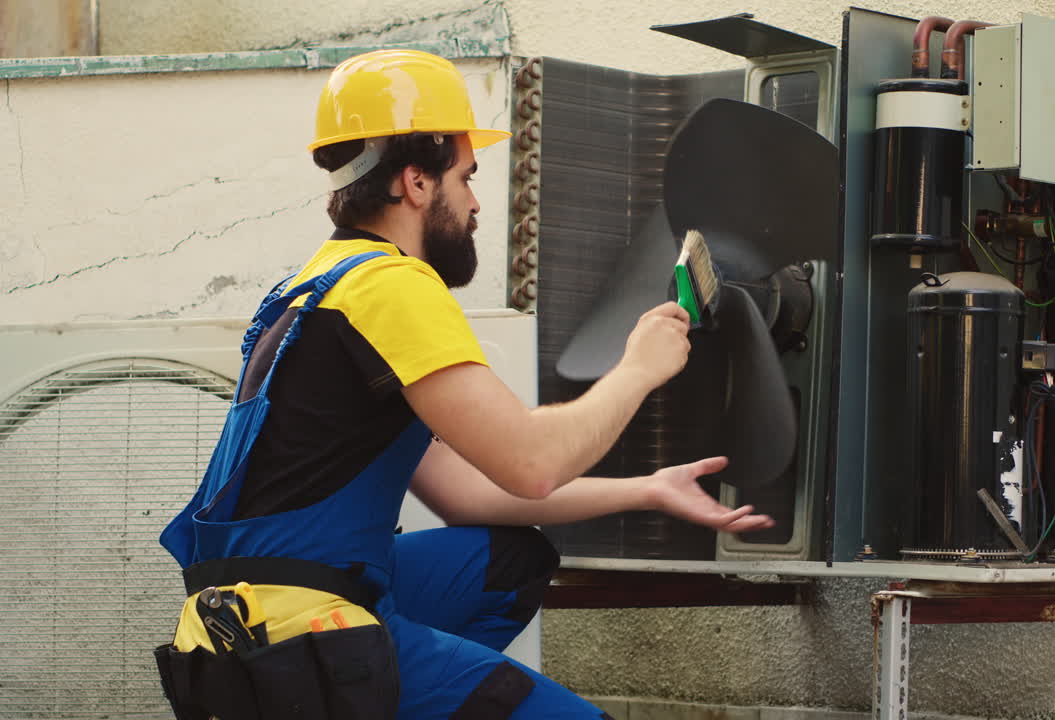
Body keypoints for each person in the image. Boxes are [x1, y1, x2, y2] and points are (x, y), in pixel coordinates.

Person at [154, 49, 772, 720]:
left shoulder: (307, 294)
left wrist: (648, 489)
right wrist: (639, 369)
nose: (476, 203)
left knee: (507, 562)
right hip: (304, 643)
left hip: (232, 635)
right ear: (417, 182)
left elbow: (469, 493)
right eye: (466, 176)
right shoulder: (392, 287)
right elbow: (533, 465)